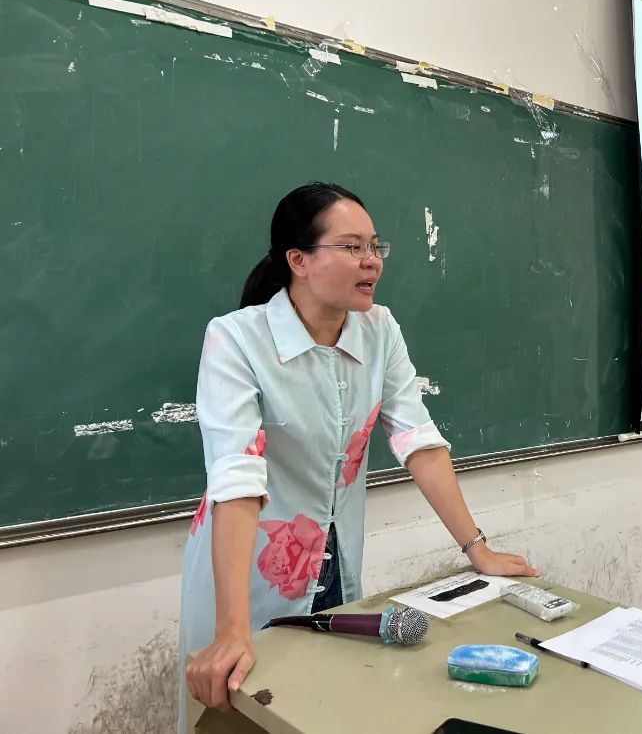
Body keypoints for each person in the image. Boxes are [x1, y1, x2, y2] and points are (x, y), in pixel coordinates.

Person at [179, 182, 538, 728]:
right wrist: (231, 628)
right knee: (243, 715)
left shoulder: (379, 330)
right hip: (245, 571)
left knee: (326, 710)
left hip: (336, 562)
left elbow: (419, 441)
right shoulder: (236, 339)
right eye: (351, 247)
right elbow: (237, 477)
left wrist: (478, 549)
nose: (371, 260)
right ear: (298, 260)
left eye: (375, 246)